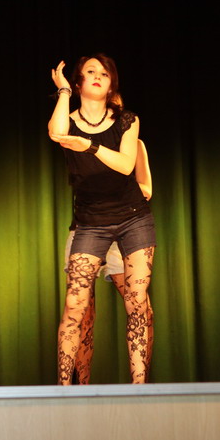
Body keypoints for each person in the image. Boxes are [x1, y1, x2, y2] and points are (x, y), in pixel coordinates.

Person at [48, 54, 156, 385]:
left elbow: (125, 165)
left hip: (132, 218)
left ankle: (140, 389)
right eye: (90, 71)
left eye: (105, 73)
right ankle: (64, 391)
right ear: (79, 81)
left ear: (112, 85)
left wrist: (89, 146)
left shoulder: (127, 120)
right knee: (75, 304)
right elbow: (56, 133)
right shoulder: (69, 121)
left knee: (137, 302)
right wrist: (63, 92)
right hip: (90, 222)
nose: (98, 76)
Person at [67, 140, 153, 384]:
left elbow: (146, 187)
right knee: (81, 312)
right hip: (86, 228)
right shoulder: (81, 143)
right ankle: (79, 388)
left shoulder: (135, 144)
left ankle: (141, 383)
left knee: (140, 307)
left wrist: (125, 190)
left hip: (124, 228)